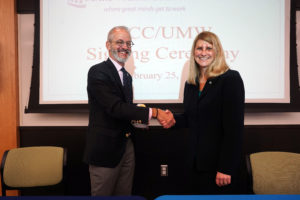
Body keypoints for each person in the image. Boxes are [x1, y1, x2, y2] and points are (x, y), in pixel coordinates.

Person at [83, 26, 175, 196]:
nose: (125, 47)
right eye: (119, 42)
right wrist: (155, 113)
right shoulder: (97, 72)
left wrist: (139, 122)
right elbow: (115, 108)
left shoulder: (127, 76)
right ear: (108, 45)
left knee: (124, 196)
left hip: (126, 148)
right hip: (105, 152)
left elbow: (126, 113)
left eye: (128, 43)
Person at [166, 31, 245, 194]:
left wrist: (226, 167)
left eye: (208, 48)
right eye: (199, 48)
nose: (203, 52)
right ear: (193, 51)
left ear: (217, 52)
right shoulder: (191, 83)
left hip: (220, 168)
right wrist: (171, 118)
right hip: (195, 164)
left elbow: (234, 130)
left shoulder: (230, 79)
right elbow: (191, 118)